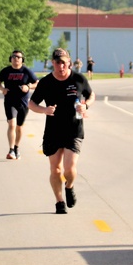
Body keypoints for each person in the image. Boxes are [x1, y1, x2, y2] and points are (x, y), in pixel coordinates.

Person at [28, 48, 94, 214]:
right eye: (58, 62)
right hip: (53, 131)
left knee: (69, 168)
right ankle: (59, 202)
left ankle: (69, 186)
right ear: (53, 63)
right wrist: (44, 110)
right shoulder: (46, 82)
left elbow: (91, 95)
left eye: (64, 62)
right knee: (55, 169)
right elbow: (32, 103)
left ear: (69, 63)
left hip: (74, 129)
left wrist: (85, 105)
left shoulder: (78, 79)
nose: (61, 66)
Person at [0, 50, 38, 160]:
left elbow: (37, 83)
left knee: (19, 126)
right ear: (11, 59)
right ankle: (11, 150)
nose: (16, 58)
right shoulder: (6, 71)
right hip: (9, 101)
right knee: (12, 124)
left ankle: (17, 148)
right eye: (13, 57)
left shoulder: (27, 71)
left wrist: (28, 87)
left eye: (18, 57)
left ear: (22, 60)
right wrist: (2, 89)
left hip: (23, 102)